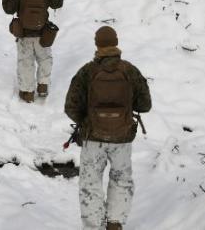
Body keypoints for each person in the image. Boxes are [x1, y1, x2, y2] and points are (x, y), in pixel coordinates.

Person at [64, 26, 152, 230]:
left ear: (97, 44)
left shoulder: (87, 71)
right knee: (121, 178)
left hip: (93, 138)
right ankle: (115, 223)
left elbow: (71, 106)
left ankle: (94, 225)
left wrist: (87, 122)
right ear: (116, 42)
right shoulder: (130, 70)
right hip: (122, 138)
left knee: (90, 183)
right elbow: (145, 105)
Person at [0, 0, 63, 102]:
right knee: (45, 60)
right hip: (43, 34)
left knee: (25, 63)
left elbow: (9, 9)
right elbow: (57, 3)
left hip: (25, 36)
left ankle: (28, 93)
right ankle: (43, 87)